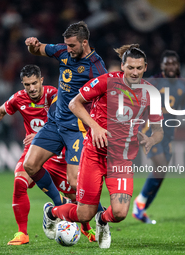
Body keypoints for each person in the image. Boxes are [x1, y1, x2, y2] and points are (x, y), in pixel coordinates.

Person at [42, 44, 164, 248]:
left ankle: (102, 221)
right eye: (130, 67)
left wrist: (151, 139)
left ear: (145, 68)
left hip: (121, 160)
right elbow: (74, 104)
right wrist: (95, 127)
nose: (134, 72)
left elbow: (159, 130)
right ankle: (51, 212)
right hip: (94, 155)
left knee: (120, 213)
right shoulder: (107, 81)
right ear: (122, 66)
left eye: (139, 68)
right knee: (83, 214)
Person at [0, 65, 74, 245]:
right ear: (23, 84)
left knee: (76, 198)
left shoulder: (53, 94)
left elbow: (64, 120)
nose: (32, 88)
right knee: (19, 181)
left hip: (57, 152)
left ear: (41, 80)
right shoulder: (19, 98)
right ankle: (22, 233)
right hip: (33, 151)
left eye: (34, 83)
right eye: (27, 84)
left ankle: (58, 212)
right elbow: (1, 111)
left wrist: (42, 133)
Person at [24, 21, 107, 239]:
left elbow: (106, 98)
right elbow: (39, 48)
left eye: (72, 45)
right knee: (30, 165)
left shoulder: (96, 67)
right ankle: (58, 204)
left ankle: (100, 216)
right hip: (54, 123)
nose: (68, 49)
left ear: (84, 42)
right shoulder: (62, 51)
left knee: (74, 183)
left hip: (77, 130)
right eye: (66, 45)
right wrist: (32, 44)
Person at [132, 50, 185, 223]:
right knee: (160, 165)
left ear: (178, 66)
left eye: (173, 63)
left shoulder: (183, 85)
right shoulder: (152, 82)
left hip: (167, 134)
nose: (170, 66)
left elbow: (184, 106)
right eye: (166, 63)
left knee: (161, 173)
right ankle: (139, 204)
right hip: (149, 130)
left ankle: (142, 207)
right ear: (161, 65)